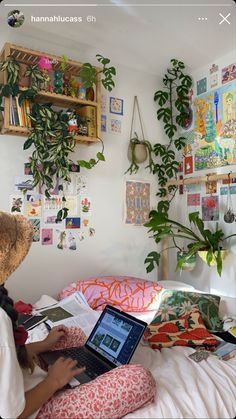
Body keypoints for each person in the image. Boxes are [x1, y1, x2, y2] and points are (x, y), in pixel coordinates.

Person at [0, 211, 156, 419]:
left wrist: (44, 345)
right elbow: (11, 414)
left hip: (22, 382)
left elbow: (5, 354)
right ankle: (72, 377)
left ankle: (77, 372)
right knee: (139, 378)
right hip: (29, 409)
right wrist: (53, 381)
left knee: (71, 335)